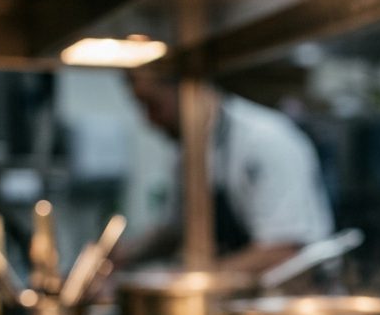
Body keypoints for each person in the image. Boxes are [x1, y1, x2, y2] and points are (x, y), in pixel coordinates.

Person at [117, 69, 335, 271]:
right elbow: (177, 228)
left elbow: (283, 250)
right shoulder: (186, 153)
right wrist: (125, 255)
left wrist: (195, 281)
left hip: (290, 299)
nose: (149, 120)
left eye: (152, 105)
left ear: (190, 90)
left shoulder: (265, 141)